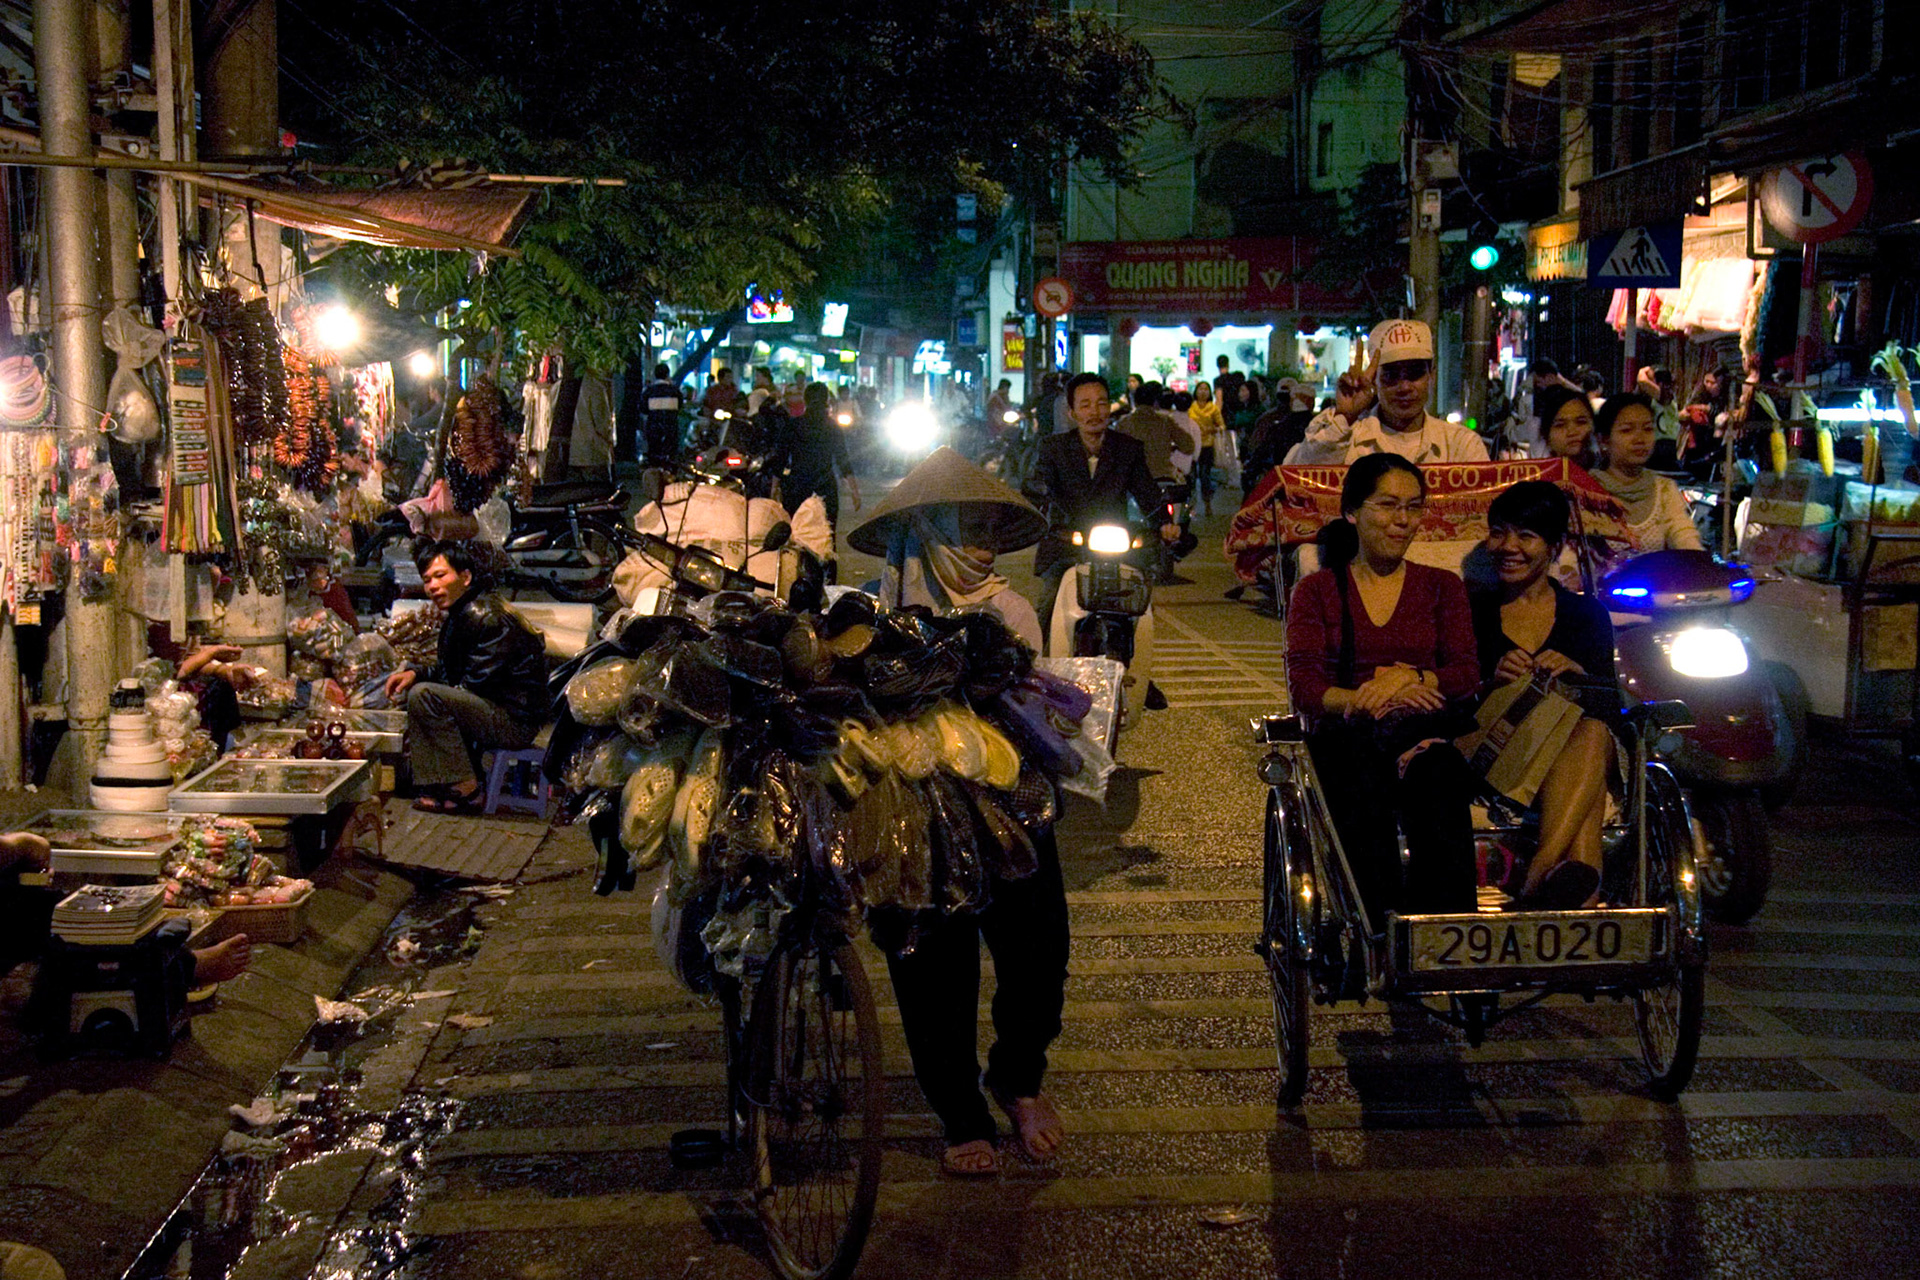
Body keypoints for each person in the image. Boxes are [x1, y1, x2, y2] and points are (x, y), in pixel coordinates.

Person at [844, 448, 1062, 1176]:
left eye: (991, 532)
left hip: (1011, 807)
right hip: (911, 819)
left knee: (1039, 954)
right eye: (968, 529)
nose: (983, 546)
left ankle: (1017, 1076)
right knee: (933, 964)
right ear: (928, 530)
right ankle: (961, 1113)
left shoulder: (1013, 609)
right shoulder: (867, 613)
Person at [1284, 454, 1480, 924]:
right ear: (1352, 511)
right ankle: (1381, 928)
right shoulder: (1317, 592)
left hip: (1422, 732)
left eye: (1413, 507)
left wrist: (1408, 679)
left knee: (1440, 776)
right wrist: (1360, 698)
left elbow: (1466, 671)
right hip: (1348, 737)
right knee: (1359, 783)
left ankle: (1447, 936)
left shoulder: (1442, 587)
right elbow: (1307, 686)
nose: (1402, 520)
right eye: (1388, 505)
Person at [1469, 481, 1617, 909]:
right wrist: (1491, 678)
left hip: (1571, 754)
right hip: (1496, 752)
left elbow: (1610, 707)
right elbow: (1451, 694)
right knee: (1590, 740)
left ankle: (1546, 877)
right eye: (1498, 532)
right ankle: (1553, 883)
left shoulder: (1586, 614)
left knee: (1591, 730)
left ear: (1554, 546)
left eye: (1526, 536)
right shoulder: (1472, 609)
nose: (1507, 546)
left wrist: (1580, 674)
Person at [384, 541, 549, 814]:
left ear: (466, 576)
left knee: (425, 696)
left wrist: (430, 690)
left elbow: (473, 684)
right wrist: (416, 672)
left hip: (514, 720)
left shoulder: (489, 616)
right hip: (491, 707)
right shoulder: (463, 612)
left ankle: (467, 790)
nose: (433, 586)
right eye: (427, 580)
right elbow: (453, 670)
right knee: (420, 691)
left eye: (440, 576)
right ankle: (439, 783)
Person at [1025, 372, 1177, 638]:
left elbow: (1147, 492)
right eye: (1085, 405)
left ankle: (1135, 672)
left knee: (1139, 606)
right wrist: (1038, 501)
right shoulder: (1053, 448)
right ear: (1072, 412)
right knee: (1048, 603)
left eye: (1101, 403)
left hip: (1116, 542)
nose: (1094, 412)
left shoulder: (1128, 448)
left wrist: (1164, 522)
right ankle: (1040, 666)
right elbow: (1040, 483)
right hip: (1067, 543)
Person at [1293, 320, 1490, 465]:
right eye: (1392, 375)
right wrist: (1345, 415)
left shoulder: (1462, 445)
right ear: (1374, 380)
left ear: (1432, 375)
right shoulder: (1347, 439)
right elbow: (1299, 478)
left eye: (1414, 374)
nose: (1404, 387)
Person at [1592, 393, 1703, 554]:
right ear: (1603, 440)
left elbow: (1685, 538)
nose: (1640, 439)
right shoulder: (1585, 491)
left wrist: (1699, 562)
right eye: (1627, 430)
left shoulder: (1664, 489)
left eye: (1647, 429)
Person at [772, 382, 862, 533]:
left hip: (798, 487)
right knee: (826, 537)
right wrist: (855, 491)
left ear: (805, 400)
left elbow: (780, 459)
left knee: (798, 535)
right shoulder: (832, 427)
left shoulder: (793, 425)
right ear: (826, 401)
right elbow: (843, 460)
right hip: (825, 486)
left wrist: (774, 488)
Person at [1115, 382, 1179, 483]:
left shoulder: (1124, 422)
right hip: (1162, 476)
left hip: (1132, 478)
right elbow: (1188, 445)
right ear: (1156, 401)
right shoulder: (1165, 421)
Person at [1533, 385, 1598, 467]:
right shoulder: (1537, 477)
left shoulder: (1607, 477)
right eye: (1560, 425)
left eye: (1581, 422)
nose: (1572, 432)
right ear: (1546, 435)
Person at [637, 363, 684, 467]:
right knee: (670, 454)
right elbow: (680, 407)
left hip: (653, 427)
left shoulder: (649, 391)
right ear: (667, 374)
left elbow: (643, 408)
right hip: (671, 427)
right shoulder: (675, 391)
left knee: (654, 454)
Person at [1189, 381, 1225, 514]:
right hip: (1192, 446)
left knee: (1205, 476)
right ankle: (1191, 505)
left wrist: (1213, 429)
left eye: (1206, 389)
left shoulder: (1213, 408)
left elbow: (1222, 426)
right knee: (1191, 477)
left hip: (1207, 446)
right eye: (1200, 389)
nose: (1203, 391)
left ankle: (1207, 503)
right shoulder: (1190, 407)